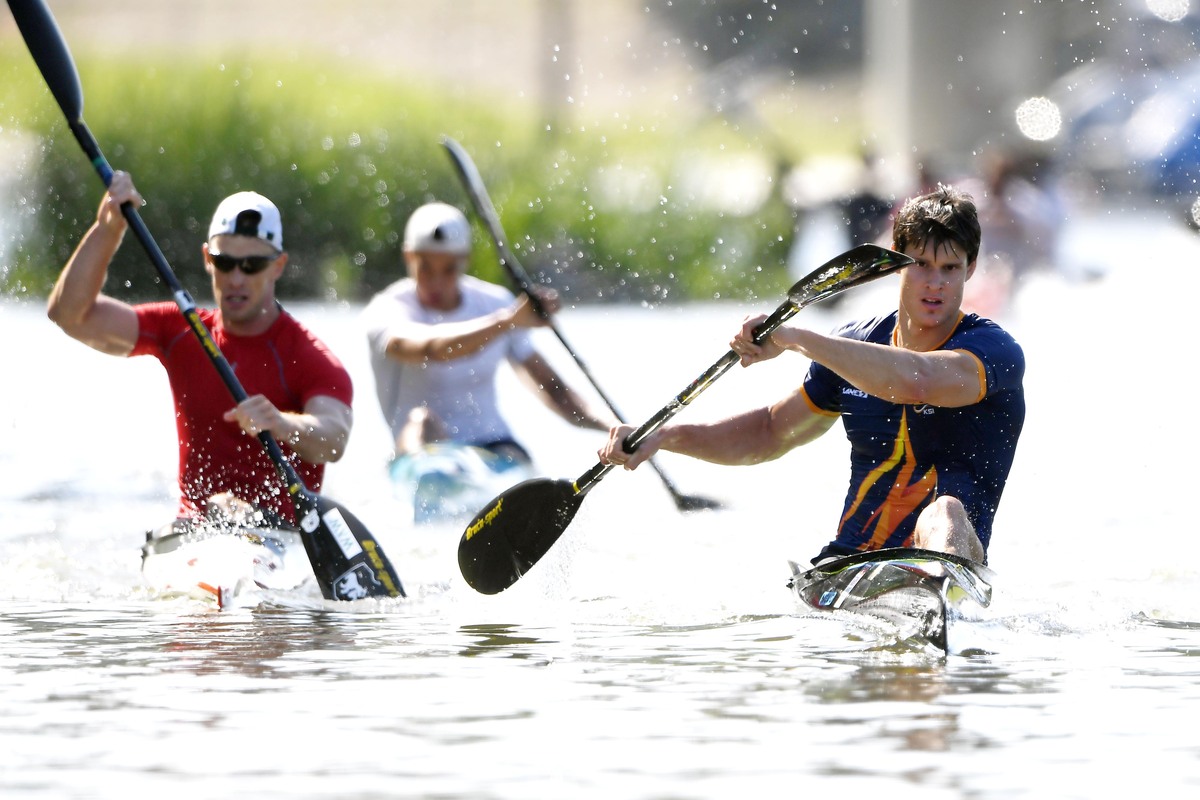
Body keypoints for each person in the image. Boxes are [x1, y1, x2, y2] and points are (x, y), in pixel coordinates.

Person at [599, 185, 1025, 566]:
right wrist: (664, 437)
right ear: (895, 261)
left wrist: (795, 338)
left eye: (950, 268)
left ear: (970, 269)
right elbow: (769, 432)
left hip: (945, 559)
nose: (935, 283)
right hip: (849, 566)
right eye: (921, 264)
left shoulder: (993, 353)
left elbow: (918, 381)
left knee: (945, 511)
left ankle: (942, 588)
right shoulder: (851, 346)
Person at [46, 171, 354, 528]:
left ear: (278, 266)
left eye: (252, 265)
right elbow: (69, 315)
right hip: (196, 531)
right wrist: (109, 228)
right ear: (208, 258)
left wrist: (281, 423)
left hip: (279, 535)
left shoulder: (308, 356)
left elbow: (334, 439)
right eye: (225, 262)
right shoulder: (180, 330)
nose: (236, 278)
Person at [362, 202, 610, 468]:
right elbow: (432, 350)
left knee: (517, 459)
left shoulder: (495, 302)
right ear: (408, 257)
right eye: (425, 267)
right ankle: (436, 480)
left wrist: (612, 427)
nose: (436, 282)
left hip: (494, 449)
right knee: (421, 421)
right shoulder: (388, 310)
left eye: (448, 269)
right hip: (423, 453)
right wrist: (508, 321)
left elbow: (554, 390)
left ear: (465, 260)